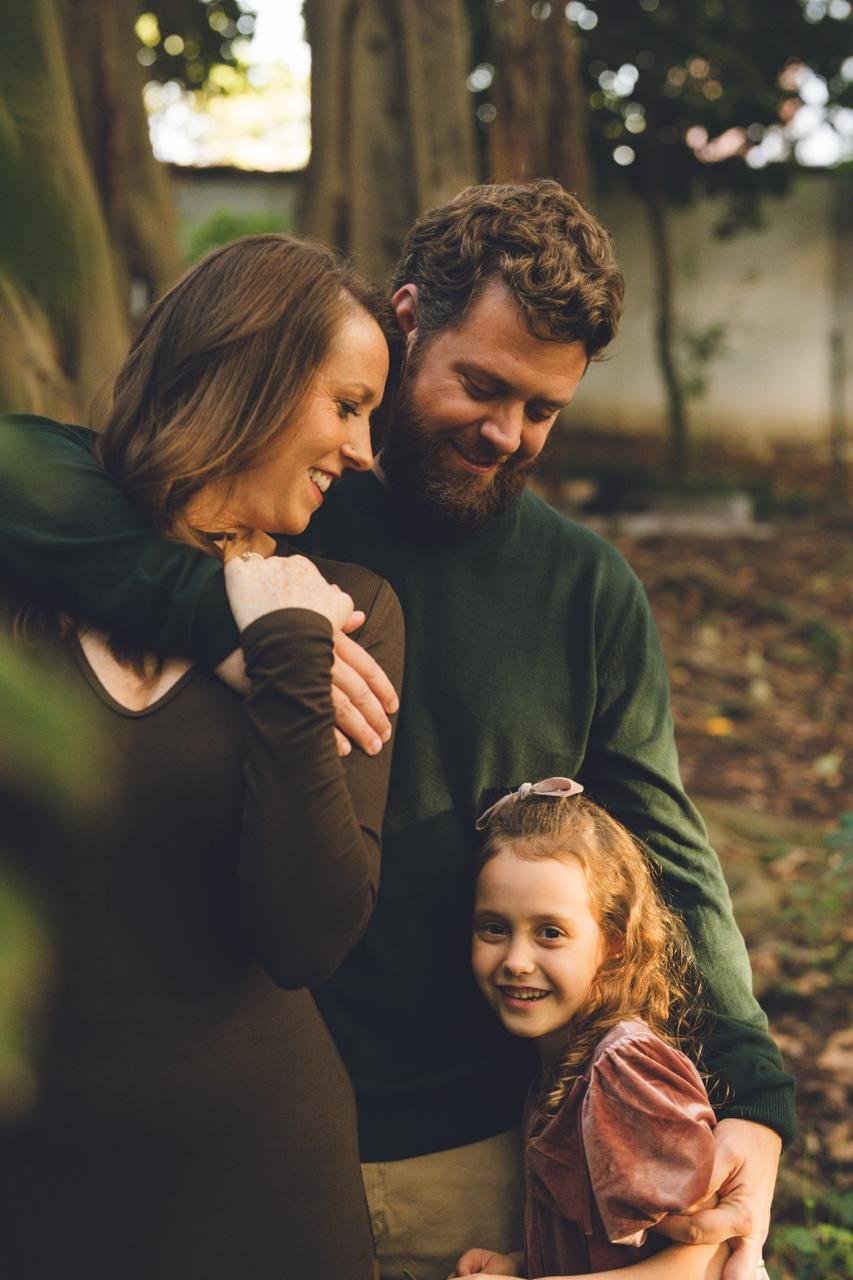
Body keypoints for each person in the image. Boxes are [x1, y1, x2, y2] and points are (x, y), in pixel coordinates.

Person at [0, 182, 793, 1280]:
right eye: (482, 385)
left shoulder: (582, 589)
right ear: (407, 319)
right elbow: (38, 477)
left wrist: (751, 1095)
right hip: (195, 1139)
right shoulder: (278, 494)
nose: (506, 434)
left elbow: (665, 848)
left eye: (543, 411)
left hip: (457, 1158)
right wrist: (214, 608)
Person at [0, 234, 403, 1279]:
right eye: (347, 404)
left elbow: (308, 934)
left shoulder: (345, 615)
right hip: (34, 1192)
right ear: (247, 370)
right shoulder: (29, 574)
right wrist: (208, 607)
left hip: (260, 1193)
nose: (364, 450)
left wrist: (283, 656)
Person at [452, 777, 732, 1280]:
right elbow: (611, 1251)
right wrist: (518, 1266)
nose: (516, 961)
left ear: (614, 943)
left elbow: (705, 1261)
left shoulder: (623, 1072)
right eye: (494, 928)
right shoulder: (564, 1064)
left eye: (550, 933)